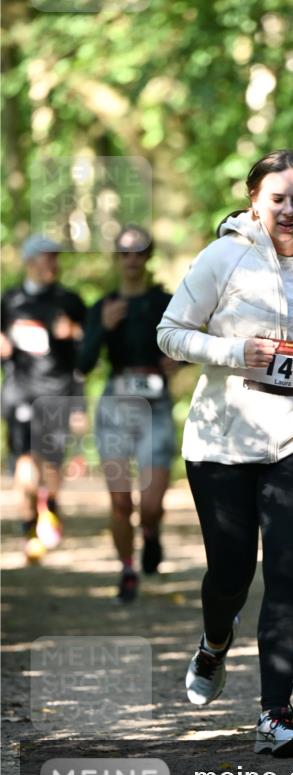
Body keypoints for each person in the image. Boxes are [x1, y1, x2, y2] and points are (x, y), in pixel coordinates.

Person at [157, 149, 293, 757]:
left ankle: (276, 714)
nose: (289, 210)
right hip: (221, 438)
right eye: (278, 199)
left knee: (288, 571)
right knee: (232, 571)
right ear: (254, 201)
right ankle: (216, 640)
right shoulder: (223, 257)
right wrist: (235, 352)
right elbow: (170, 333)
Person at [78, 225, 177, 602]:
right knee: (121, 502)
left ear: (148, 256)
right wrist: (102, 328)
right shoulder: (101, 307)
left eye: (139, 252)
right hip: (116, 405)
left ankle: (151, 533)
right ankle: (127, 569)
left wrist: (178, 361)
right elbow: (84, 363)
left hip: (156, 406)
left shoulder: (165, 302)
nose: (132, 259)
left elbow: (188, 344)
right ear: (117, 258)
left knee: (150, 505)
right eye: (125, 252)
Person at [1, 235, 87, 563]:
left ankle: (49, 506)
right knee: (25, 460)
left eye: (55, 257)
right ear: (30, 261)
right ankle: (27, 526)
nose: (53, 263)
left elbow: (88, 348)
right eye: (46, 257)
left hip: (59, 391)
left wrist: (74, 333)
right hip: (20, 391)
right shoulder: (10, 300)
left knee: (52, 462)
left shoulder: (69, 300)